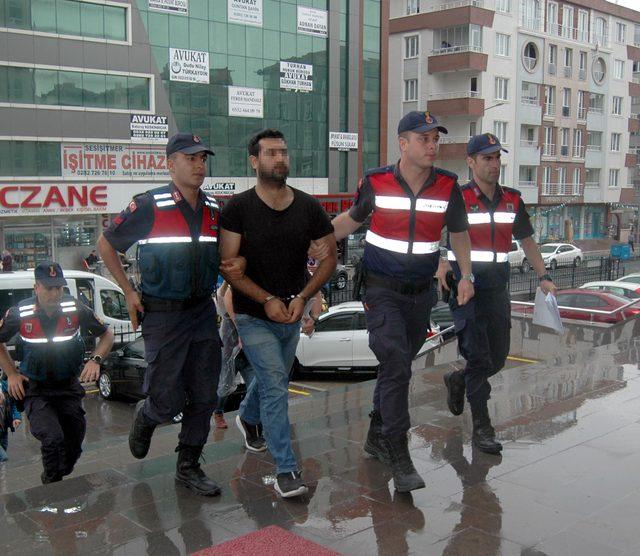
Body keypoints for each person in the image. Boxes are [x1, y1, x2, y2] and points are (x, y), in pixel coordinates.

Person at [331, 111, 474, 492]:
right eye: (424, 139)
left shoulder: (448, 185)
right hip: (380, 290)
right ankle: (399, 451)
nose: (432, 146)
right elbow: (351, 220)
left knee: (396, 366)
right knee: (395, 364)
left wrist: (466, 275)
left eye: (435, 139)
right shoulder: (376, 181)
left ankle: (377, 435)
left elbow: (459, 233)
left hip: (419, 295)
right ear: (403, 143)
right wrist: (314, 237)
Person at [97, 132, 245, 497]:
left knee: (205, 393)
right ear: (170, 163)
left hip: (200, 312)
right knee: (165, 400)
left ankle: (188, 465)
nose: (199, 165)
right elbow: (106, 244)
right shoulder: (150, 205)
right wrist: (129, 292)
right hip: (163, 316)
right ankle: (147, 415)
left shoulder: (213, 209)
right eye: (191, 158)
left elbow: (226, 258)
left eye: (203, 158)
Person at [220, 128, 337, 498]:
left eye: (283, 152)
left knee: (272, 381)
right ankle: (287, 470)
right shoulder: (237, 208)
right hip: (254, 314)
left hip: (292, 313)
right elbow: (228, 266)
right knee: (275, 385)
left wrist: (304, 296)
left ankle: (248, 419)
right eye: (270, 153)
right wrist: (266, 298)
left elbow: (328, 257)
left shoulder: (308, 207)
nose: (280, 158)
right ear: (254, 161)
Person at [436, 133, 556, 454]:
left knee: (498, 356)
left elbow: (527, 240)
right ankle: (482, 429)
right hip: (466, 289)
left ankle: (458, 380)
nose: (494, 164)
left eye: (497, 157)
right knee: (477, 356)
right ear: (471, 162)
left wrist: (543, 275)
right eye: (486, 158)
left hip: (496, 290)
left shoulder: (512, 200)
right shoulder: (457, 197)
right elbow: (436, 232)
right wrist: (441, 263)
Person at [0, 262, 114, 482]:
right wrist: (12, 373)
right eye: (49, 287)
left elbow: (107, 336)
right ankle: (51, 490)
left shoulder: (75, 308)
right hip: (36, 389)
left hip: (68, 386)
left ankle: (59, 476)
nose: (55, 293)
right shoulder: (20, 313)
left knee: (74, 441)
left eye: (59, 288)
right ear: (36, 288)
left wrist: (96, 360)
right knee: (52, 439)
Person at [213, 281, 254, 429]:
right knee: (224, 389)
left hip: (247, 353)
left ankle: (248, 417)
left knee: (253, 387)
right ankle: (218, 412)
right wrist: (227, 281)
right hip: (229, 354)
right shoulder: (226, 308)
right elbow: (221, 297)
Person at [0, 375, 22, 462]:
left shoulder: (6, 386)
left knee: (3, 453)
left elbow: (14, 404)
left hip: (3, 430)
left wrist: (17, 417)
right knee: (3, 457)